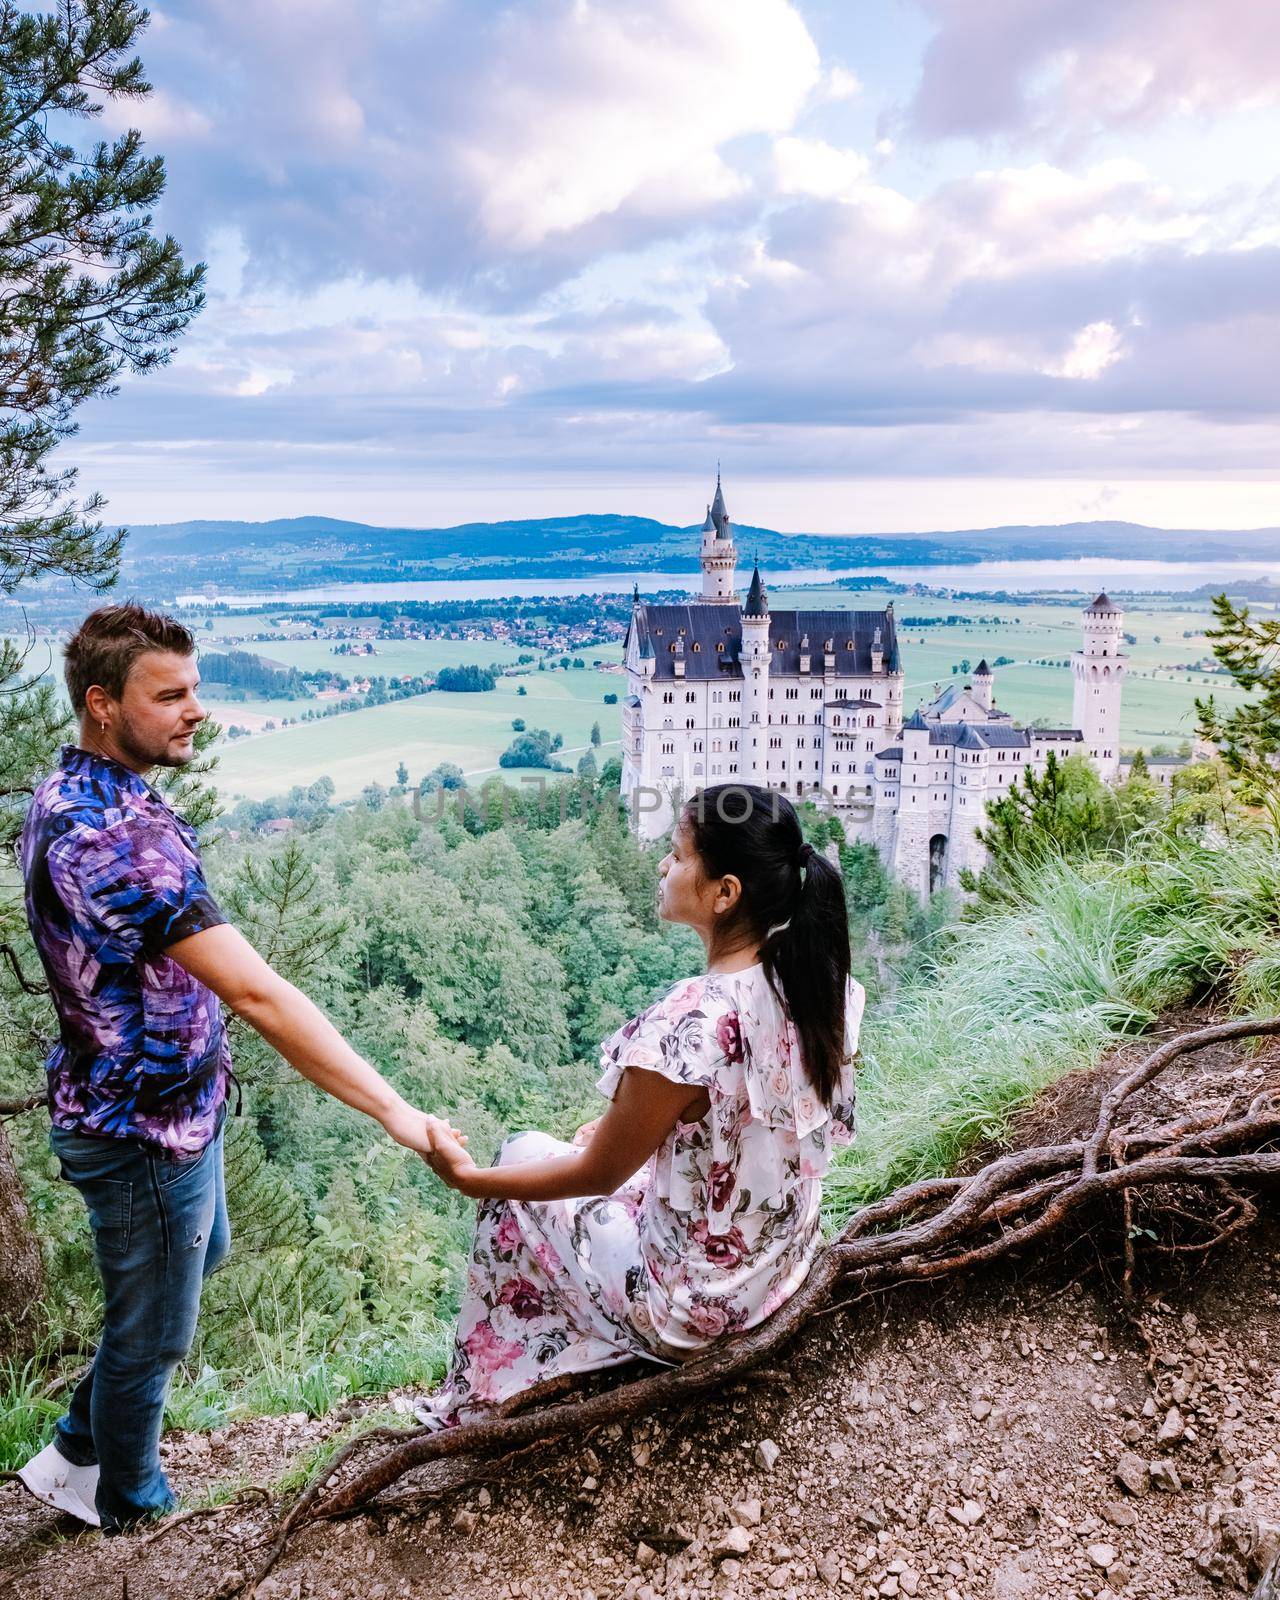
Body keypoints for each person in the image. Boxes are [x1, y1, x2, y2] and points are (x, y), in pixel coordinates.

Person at [15, 604, 457, 1533]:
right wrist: (399, 1115)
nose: (196, 711)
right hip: (138, 1130)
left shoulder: (89, 789)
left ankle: (79, 1447)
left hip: (176, 1109)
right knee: (156, 1330)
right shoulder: (111, 842)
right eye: (169, 694)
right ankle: (132, 1509)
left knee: (191, 1260)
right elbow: (260, 996)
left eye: (196, 690)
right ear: (102, 704)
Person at [417, 782, 862, 1427]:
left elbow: (599, 1173)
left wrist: (470, 1180)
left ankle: (479, 1402)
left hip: (696, 1309)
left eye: (678, 856)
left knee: (522, 1160)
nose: (662, 866)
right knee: (572, 1157)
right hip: (778, 1273)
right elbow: (744, 1126)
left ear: (724, 893)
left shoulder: (691, 1023)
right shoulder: (822, 987)